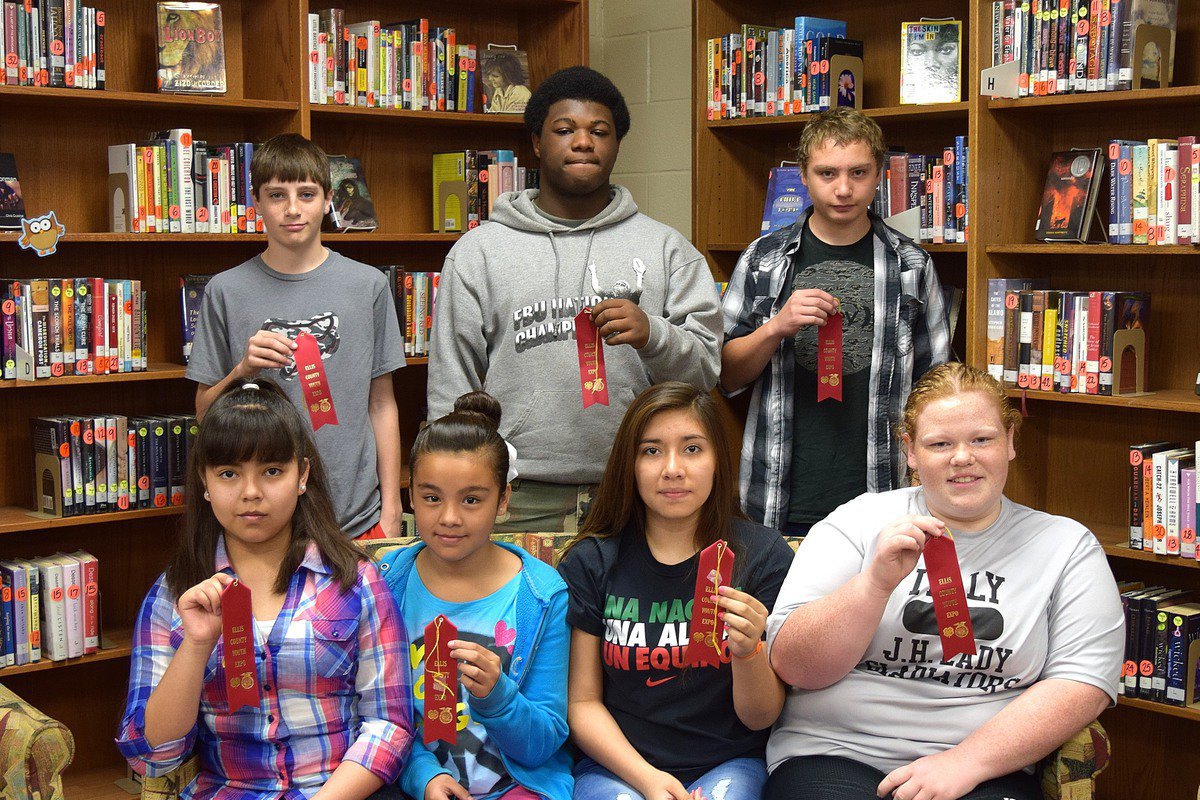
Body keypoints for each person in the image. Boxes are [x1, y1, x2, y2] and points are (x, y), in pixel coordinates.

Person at [764, 363, 1124, 800]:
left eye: (982, 439)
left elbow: (1083, 684)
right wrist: (872, 587)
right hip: (835, 752)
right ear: (910, 451)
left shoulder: (1067, 546)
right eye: (940, 443)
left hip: (985, 768)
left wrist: (966, 763)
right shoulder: (856, 522)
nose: (962, 457)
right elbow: (793, 665)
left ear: (1011, 441)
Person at [429, 66, 723, 533]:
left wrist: (654, 335)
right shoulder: (478, 253)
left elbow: (705, 371)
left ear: (617, 144)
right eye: (565, 130)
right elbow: (451, 386)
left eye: (599, 131)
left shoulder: (667, 249)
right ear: (537, 143)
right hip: (515, 496)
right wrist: (460, 487)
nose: (583, 142)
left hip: (636, 494)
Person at [117, 379, 413, 799]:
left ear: (302, 475)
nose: (251, 493)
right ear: (204, 482)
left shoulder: (355, 579)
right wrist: (196, 645)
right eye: (229, 473)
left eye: (272, 471)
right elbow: (152, 756)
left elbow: (390, 724)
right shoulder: (173, 594)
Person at [558, 382, 794, 800]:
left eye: (692, 449)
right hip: (618, 767)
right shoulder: (591, 561)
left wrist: (748, 650)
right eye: (651, 450)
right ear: (629, 463)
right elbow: (582, 704)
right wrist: (648, 780)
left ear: (719, 458)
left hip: (729, 762)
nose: (672, 468)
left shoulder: (763, 556)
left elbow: (761, 718)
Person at [720, 107, 950, 534]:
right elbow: (727, 375)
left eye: (858, 173)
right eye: (827, 174)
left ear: (879, 174)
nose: (843, 189)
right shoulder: (763, 260)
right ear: (804, 175)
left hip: (883, 499)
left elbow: (934, 393)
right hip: (777, 497)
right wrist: (775, 327)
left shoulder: (912, 266)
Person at [187, 133, 406, 540]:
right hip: (261, 522)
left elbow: (382, 403)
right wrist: (243, 370)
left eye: (306, 194)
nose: (292, 209)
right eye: (276, 195)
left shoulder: (369, 286)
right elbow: (203, 413)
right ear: (256, 203)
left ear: (327, 201)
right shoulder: (225, 291)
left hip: (356, 516)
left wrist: (391, 507)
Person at [376, 392, 573, 800]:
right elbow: (374, 715)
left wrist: (497, 696)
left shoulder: (541, 596)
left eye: (471, 499)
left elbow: (544, 742)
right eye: (432, 498)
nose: (449, 517)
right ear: (411, 496)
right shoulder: (385, 583)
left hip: (518, 786)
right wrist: (423, 776)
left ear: (503, 500)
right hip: (414, 784)